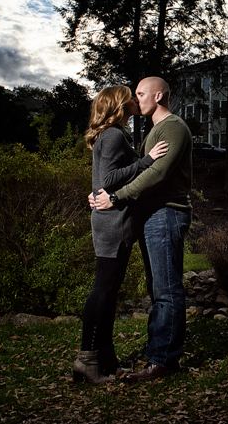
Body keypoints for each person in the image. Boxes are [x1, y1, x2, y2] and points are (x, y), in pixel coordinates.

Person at [93, 76, 192, 382]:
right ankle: (157, 351)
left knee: (166, 289)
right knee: (157, 288)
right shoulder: (153, 132)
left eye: (140, 93)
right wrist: (101, 192)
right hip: (152, 216)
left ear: (159, 95)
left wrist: (117, 198)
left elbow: (157, 175)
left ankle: (163, 361)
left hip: (167, 213)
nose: (136, 99)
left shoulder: (173, 127)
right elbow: (129, 172)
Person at [73, 85, 168, 385]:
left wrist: (94, 194)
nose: (134, 100)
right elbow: (110, 179)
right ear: (119, 103)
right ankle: (87, 359)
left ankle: (104, 358)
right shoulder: (114, 135)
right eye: (130, 95)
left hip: (109, 219)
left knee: (108, 291)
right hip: (113, 222)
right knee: (103, 289)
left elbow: (100, 181)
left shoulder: (109, 135)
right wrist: (147, 160)